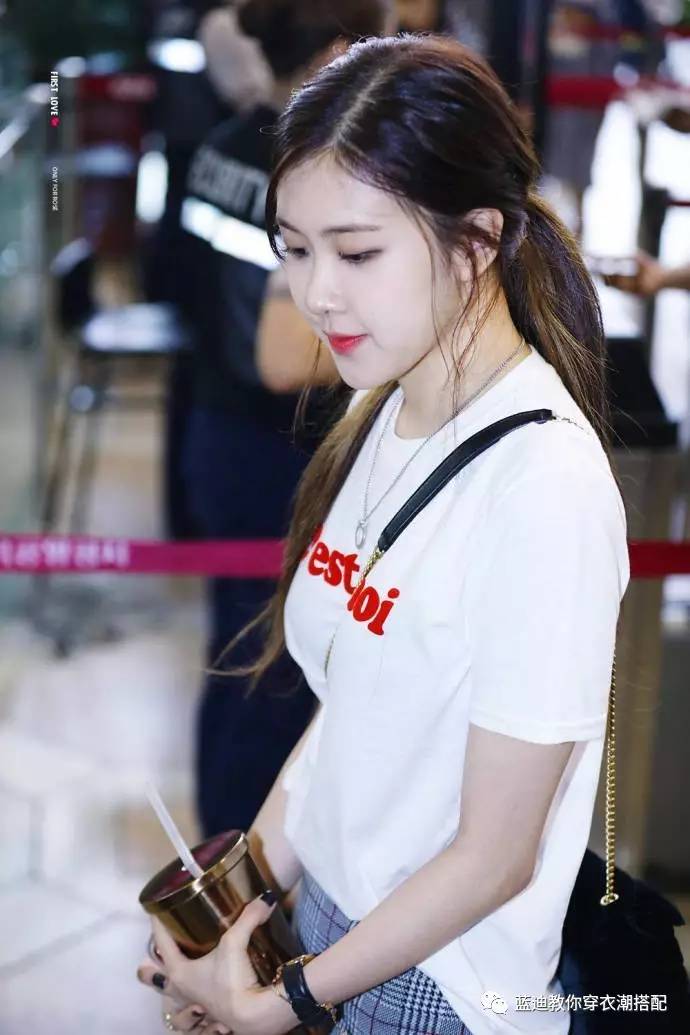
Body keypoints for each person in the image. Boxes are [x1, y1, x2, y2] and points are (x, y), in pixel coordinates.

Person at [138, 33, 630, 1035]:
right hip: (331, 925)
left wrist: (289, 999)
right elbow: (349, 710)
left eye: (358, 252)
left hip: (441, 986)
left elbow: (496, 857)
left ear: (477, 241)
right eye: (295, 248)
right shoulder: (388, 405)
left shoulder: (546, 487)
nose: (317, 293)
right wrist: (240, 916)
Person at [176, 0, 390, 841]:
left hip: (213, 429)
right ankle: (242, 869)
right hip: (274, 452)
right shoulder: (310, 167)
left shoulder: (226, 142)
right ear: (339, 51)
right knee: (274, 672)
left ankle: (219, 853)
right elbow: (284, 357)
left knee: (237, 653)